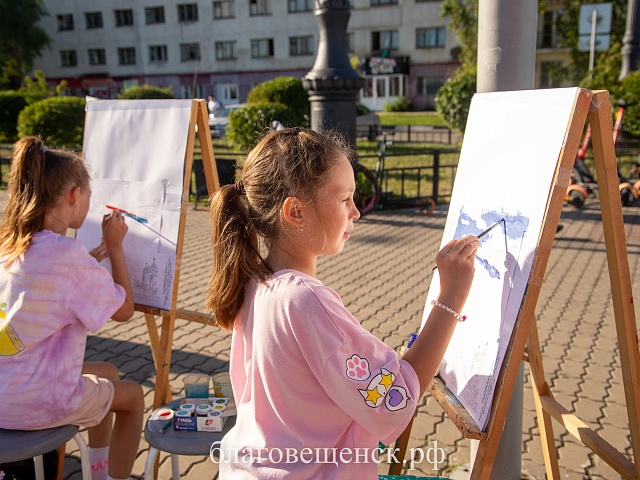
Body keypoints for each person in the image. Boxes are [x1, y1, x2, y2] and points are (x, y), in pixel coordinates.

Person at [206, 127, 480, 478]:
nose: (356, 212)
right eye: (344, 199)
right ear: (296, 212)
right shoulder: (305, 300)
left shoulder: (255, 281)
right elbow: (394, 400)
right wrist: (451, 297)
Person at [0, 137, 144, 480]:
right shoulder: (68, 256)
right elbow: (124, 310)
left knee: (107, 371)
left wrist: (87, 263)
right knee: (134, 396)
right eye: (90, 194)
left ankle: (97, 468)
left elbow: (48, 283)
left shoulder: (11, 243)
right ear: (72, 196)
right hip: (36, 402)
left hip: (6, 387)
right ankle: (108, 478)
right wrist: (115, 247)